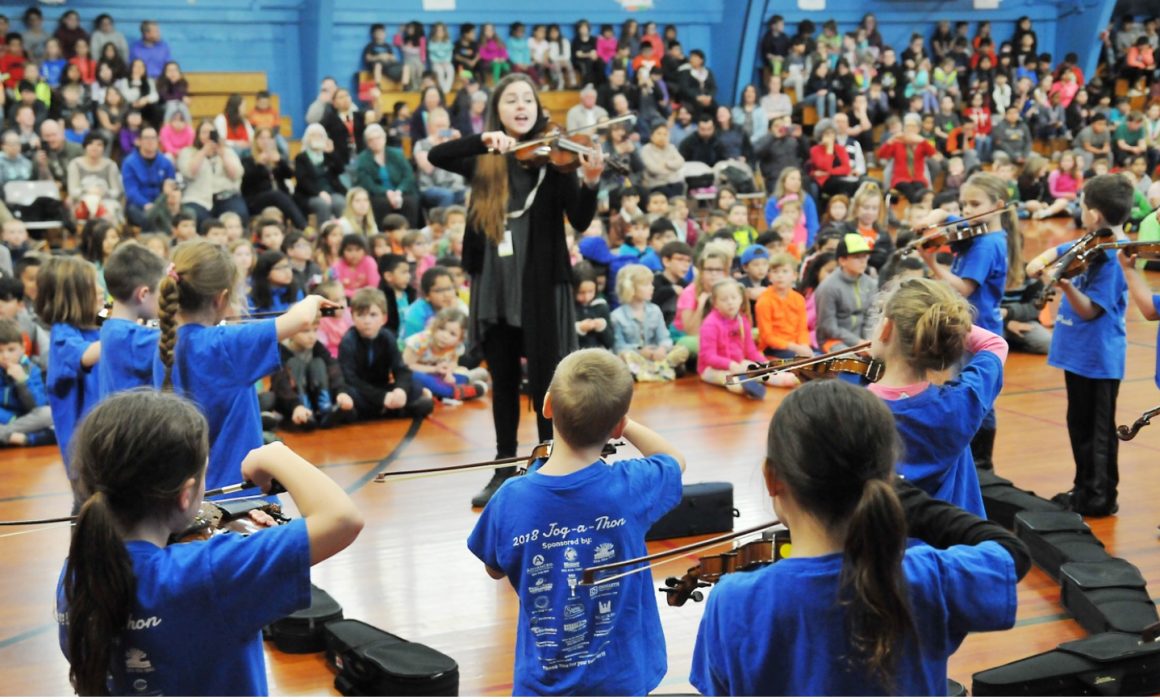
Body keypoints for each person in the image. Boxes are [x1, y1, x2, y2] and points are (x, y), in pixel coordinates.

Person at [690, 379, 1026, 695]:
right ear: (886, 477)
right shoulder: (927, 579)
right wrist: (911, 503)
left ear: (773, 478)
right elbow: (1010, 552)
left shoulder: (733, 603)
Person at [56, 390, 363, 696]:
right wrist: (277, 455)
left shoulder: (76, 574)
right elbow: (342, 519)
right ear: (186, 495)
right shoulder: (211, 573)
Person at [426, 74, 604, 507]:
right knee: (503, 379)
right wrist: (483, 140)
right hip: (496, 284)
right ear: (497, 111)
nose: (521, 105)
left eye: (528, 98)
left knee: (547, 381)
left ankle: (548, 465)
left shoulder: (556, 159)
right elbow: (437, 154)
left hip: (541, 283)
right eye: (511, 100)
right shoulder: (485, 158)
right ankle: (504, 467)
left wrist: (592, 181)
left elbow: (579, 220)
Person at [467, 348, 685, 695]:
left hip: (542, 684)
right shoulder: (627, 487)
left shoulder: (510, 497)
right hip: (621, 680)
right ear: (615, 428)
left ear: (548, 405)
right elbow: (674, 460)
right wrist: (625, 424)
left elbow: (494, 569)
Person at [154, 240, 330, 496]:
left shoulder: (162, 343)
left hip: (186, 497)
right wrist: (313, 298)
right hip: (239, 495)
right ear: (220, 298)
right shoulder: (226, 344)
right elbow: (301, 319)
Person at [1025, 174, 1132, 517]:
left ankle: (1100, 496)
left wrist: (1064, 284)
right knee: (1078, 425)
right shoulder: (1092, 241)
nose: (1080, 210)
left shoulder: (1115, 257)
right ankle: (1082, 487)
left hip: (1098, 358)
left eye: (1083, 205)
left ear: (1095, 214)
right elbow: (1061, 251)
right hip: (1078, 354)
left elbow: (1088, 311)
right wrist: (1043, 261)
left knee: (1098, 433)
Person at [867, 276, 1006, 516]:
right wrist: (943, 326)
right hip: (957, 543)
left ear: (888, 328)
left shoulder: (852, 413)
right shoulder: (961, 402)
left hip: (890, 548)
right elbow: (994, 344)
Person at [35, 256, 102, 482]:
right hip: (84, 453)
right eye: (94, 286)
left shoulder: (96, 329)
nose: (101, 290)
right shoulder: (63, 334)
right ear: (75, 297)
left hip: (104, 437)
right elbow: (84, 356)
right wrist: (122, 333)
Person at [338, 287, 435, 420]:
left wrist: (400, 390)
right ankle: (394, 410)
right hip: (362, 391)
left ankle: (389, 409)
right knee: (348, 394)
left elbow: (401, 369)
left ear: (384, 318)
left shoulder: (388, 337)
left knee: (414, 384)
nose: (367, 321)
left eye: (373, 315)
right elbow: (351, 379)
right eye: (361, 315)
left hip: (382, 388)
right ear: (353, 317)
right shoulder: (349, 341)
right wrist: (381, 397)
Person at [99, 242, 165, 398]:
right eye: (161, 293)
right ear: (143, 294)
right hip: (131, 421)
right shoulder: (130, 338)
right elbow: (186, 342)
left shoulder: (111, 327)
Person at [699, 278, 777, 399]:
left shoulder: (742, 320)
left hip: (737, 363)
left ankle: (787, 378)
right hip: (711, 369)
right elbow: (708, 357)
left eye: (734, 298)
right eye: (724, 299)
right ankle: (745, 386)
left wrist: (763, 362)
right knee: (732, 381)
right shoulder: (710, 324)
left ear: (740, 299)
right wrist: (730, 365)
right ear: (715, 303)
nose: (730, 302)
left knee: (765, 370)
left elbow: (750, 350)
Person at [177, 120, 247, 226]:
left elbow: (236, 174)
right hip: (198, 198)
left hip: (226, 196)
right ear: (198, 135)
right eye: (204, 132)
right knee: (196, 217)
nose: (208, 136)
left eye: (211, 132)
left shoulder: (227, 151)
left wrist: (223, 154)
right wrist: (203, 152)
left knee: (239, 214)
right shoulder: (188, 152)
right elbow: (189, 173)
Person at [814, 234, 877, 352]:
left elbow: (871, 317)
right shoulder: (828, 287)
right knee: (849, 362)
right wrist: (857, 343)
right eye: (857, 257)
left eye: (865, 256)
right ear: (842, 260)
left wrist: (868, 342)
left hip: (862, 341)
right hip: (833, 341)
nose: (863, 261)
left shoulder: (870, 284)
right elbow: (828, 328)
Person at [353, 123, 419, 227]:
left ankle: (409, 234)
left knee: (410, 202)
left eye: (378, 138)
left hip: (400, 191)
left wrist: (399, 191)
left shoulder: (397, 154)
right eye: (371, 140)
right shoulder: (363, 159)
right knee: (382, 204)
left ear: (384, 138)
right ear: (367, 143)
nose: (375, 142)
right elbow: (367, 183)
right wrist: (386, 192)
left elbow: (408, 175)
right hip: (378, 194)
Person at [0, 318, 53, 446]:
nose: (5, 356)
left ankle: (8, 437)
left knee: (48, 414)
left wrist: (22, 381)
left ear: (23, 348)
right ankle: (18, 438)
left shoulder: (32, 370)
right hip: (6, 420)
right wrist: (9, 418)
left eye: (11, 349)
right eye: (0, 351)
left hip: (25, 420)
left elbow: (38, 406)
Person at [122, 126, 175, 229]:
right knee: (138, 213)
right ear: (138, 141)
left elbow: (171, 186)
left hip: (161, 202)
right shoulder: (129, 163)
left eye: (153, 138)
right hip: (139, 205)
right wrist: (145, 204)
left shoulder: (166, 162)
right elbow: (131, 191)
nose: (150, 141)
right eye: (146, 138)